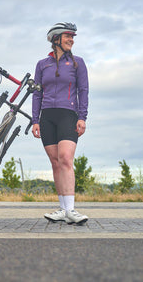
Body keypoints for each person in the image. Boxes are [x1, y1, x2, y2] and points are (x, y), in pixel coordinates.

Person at [31, 22, 89, 224]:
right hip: (47, 116)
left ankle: (71, 210)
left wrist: (82, 117)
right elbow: (37, 93)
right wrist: (35, 120)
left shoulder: (77, 63)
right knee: (55, 162)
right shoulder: (42, 64)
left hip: (68, 114)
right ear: (56, 39)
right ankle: (63, 209)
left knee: (65, 158)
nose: (71, 40)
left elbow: (83, 90)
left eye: (73, 37)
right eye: (67, 36)